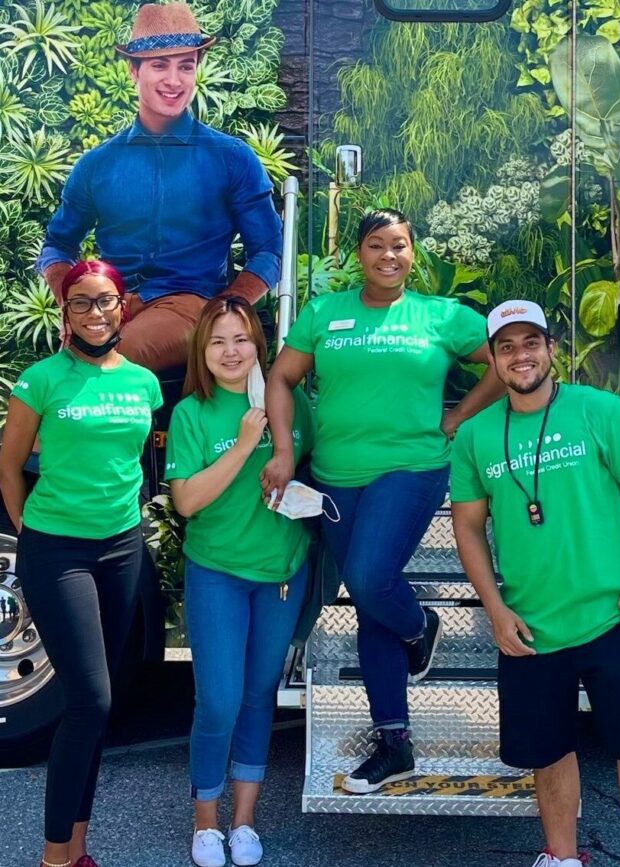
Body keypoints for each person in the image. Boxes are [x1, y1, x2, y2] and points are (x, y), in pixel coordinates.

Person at [262, 208, 504, 793]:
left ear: (413, 253)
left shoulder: (441, 316)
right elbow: (279, 378)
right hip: (335, 477)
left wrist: (460, 414)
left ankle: (421, 624)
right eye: (376, 245)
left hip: (413, 468)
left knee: (370, 579)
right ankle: (394, 742)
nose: (388, 255)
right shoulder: (325, 313)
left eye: (399, 245)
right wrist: (284, 453)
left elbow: (504, 360)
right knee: (371, 603)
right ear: (359, 254)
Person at [451, 300, 620, 867]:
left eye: (531, 343)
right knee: (549, 756)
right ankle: (562, 857)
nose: (520, 355)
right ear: (494, 362)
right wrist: (495, 610)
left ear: (552, 349)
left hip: (614, 619)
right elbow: (469, 529)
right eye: (506, 347)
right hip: (530, 629)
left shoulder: (599, 409)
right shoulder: (475, 435)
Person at [0, 260, 162, 867]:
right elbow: (9, 464)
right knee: (89, 700)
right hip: (56, 550)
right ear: (65, 314)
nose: (97, 314)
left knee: (101, 703)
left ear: (123, 307)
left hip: (121, 548)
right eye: (82, 304)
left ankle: (79, 851)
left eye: (107, 302)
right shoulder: (40, 380)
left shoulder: (143, 384)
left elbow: (134, 466)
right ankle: (52, 860)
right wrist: (27, 528)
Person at [36, 3, 282, 373]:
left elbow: (269, 250)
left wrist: (227, 308)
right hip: (109, 305)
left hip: (189, 304)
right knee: (42, 387)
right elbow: (57, 244)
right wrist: (70, 300)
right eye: (159, 65)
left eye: (186, 65)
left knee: (103, 365)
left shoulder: (231, 158)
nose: (174, 80)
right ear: (133, 70)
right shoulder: (97, 165)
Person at [164, 297, 314, 866]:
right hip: (218, 575)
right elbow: (186, 500)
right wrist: (249, 443)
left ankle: (244, 821)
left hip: (280, 575)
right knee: (219, 701)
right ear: (203, 351)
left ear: (259, 345)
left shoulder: (291, 401)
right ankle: (206, 822)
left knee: (258, 697)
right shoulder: (193, 414)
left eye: (242, 339)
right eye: (218, 341)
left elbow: (320, 460)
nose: (231, 351)